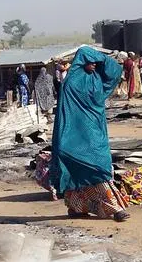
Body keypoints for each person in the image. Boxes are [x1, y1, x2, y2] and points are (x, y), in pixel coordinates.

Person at [48, 46, 130, 222]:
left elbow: (115, 71)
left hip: (95, 132)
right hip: (76, 134)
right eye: (89, 61)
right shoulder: (70, 83)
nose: (93, 64)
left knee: (100, 165)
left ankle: (78, 207)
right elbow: (66, 111)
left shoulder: (98, 80)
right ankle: (114, 209)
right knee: (88, 167)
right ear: (81, 62)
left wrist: (101, 59)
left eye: (95, 62)